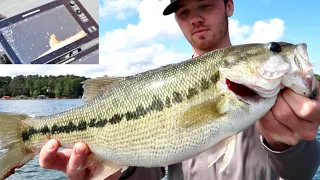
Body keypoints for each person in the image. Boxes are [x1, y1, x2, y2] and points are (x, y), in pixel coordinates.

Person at [38, 0, 320, 179]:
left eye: (205, 5)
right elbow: (150, 167)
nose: (195, 18)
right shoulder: (161, 86)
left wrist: (285, 144)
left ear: (229, 5)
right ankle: (29, 132)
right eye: (184, 12)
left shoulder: (280, 93)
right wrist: (108, 174)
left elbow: (302, 173)